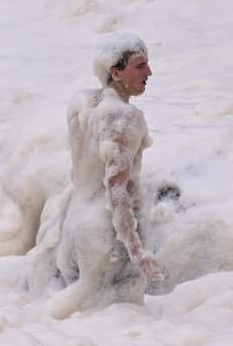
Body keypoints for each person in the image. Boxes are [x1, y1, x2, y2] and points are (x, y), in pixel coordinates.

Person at [29, 33, 165, 318]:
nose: (149, 72)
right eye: (140, 66)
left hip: (74, 224)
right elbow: (117, 191)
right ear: (115, 71)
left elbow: (81, 171)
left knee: (80, 324)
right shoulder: (125, 118)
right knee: (116, 327)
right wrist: (138, 251)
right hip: (106, 234)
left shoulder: (82, 104)